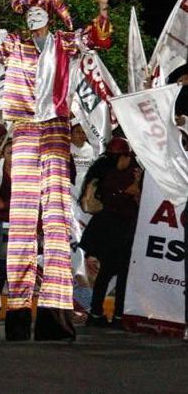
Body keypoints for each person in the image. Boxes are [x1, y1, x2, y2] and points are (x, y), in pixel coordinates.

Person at [0, 0, 113, 341]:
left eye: (39, 12)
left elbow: (97, 39)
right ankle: (18, 315)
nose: (34, 18)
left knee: (56, 218)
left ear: (49, 16)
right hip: (23, 129)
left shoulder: (64, 43)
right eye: (29, 14)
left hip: (55, 129)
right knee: (21, 219)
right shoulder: (15, 45)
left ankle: (55, 317)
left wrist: (102, 8)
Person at [80, 137, 141, 329]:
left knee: (107, 273)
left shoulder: (104, 170)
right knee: (121, 275)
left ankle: (97, 313)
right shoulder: (118, 174)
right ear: (123, 157)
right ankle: (116, 315)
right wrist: (130, 190)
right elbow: (124, 198)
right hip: (118, 230)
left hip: (107, 230)